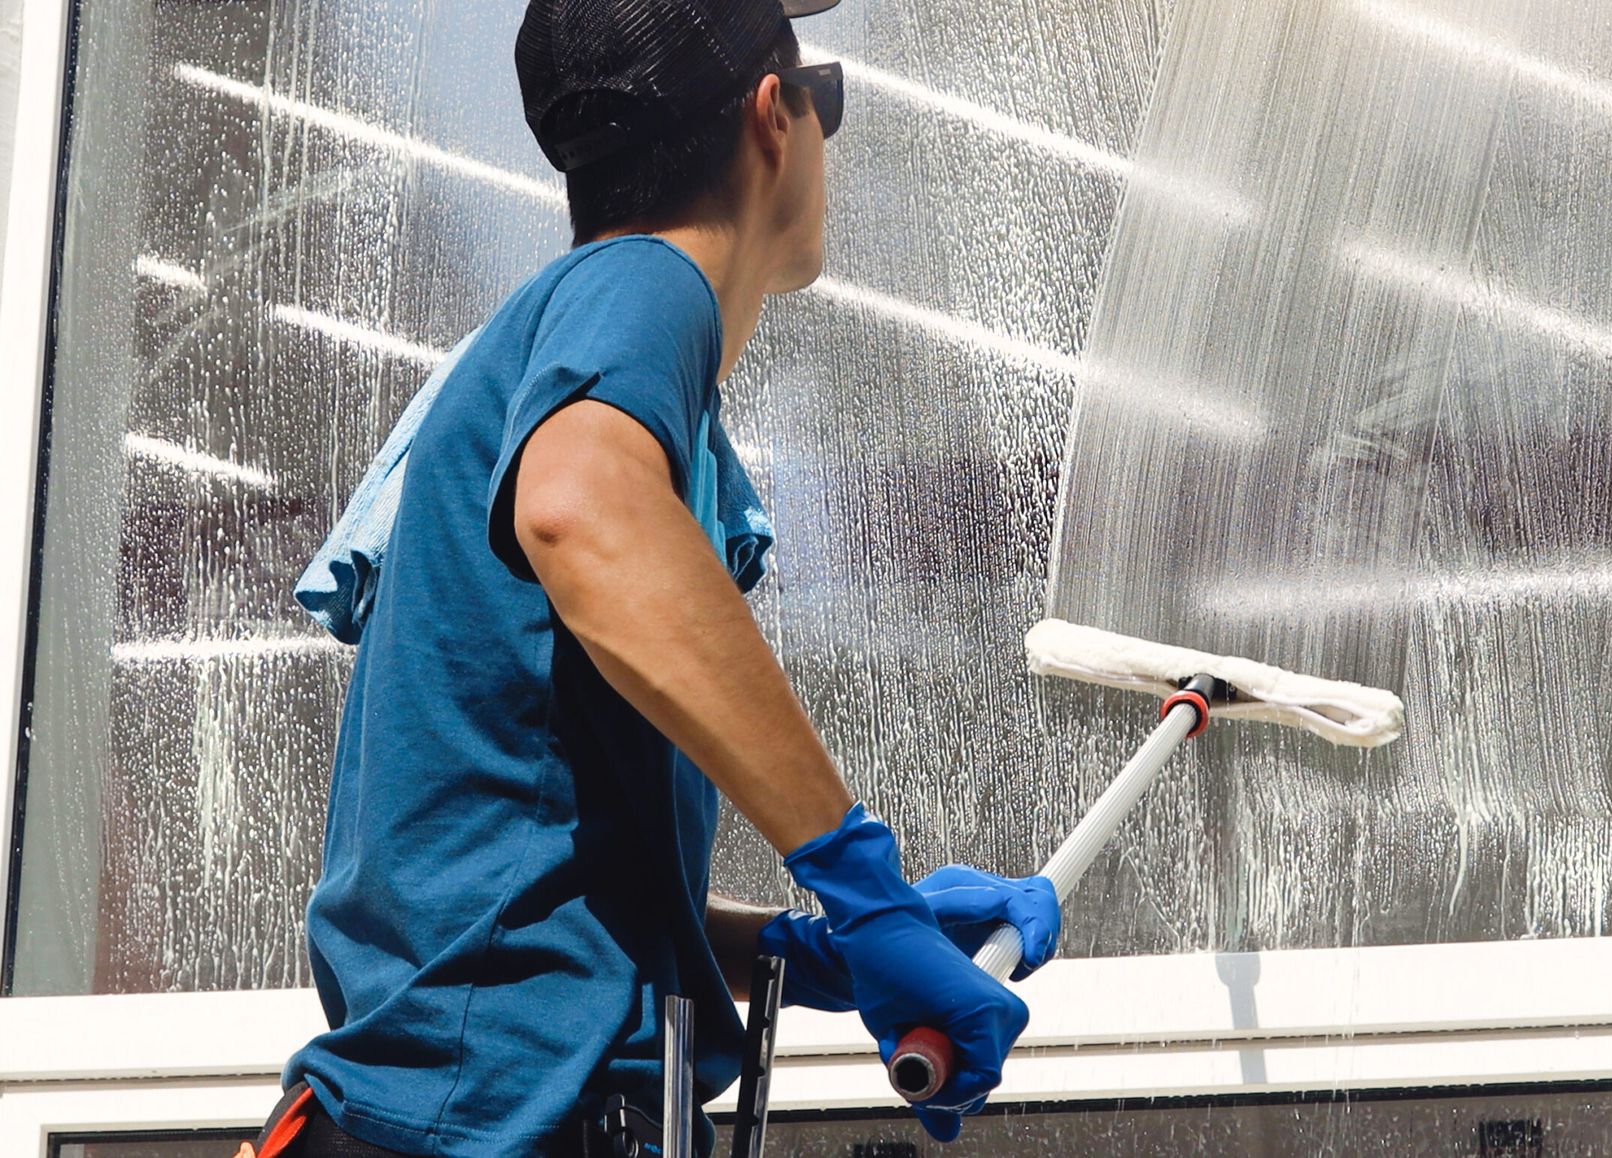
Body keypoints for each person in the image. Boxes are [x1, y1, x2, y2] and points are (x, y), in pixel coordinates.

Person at [241, 1, 1062, 1155]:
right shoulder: (641, 286)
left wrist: (795, 945)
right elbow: (579, 511)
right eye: (824, 92)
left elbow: (520, 883)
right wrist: (859, 879)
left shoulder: (560, 343)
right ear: (772, 117)